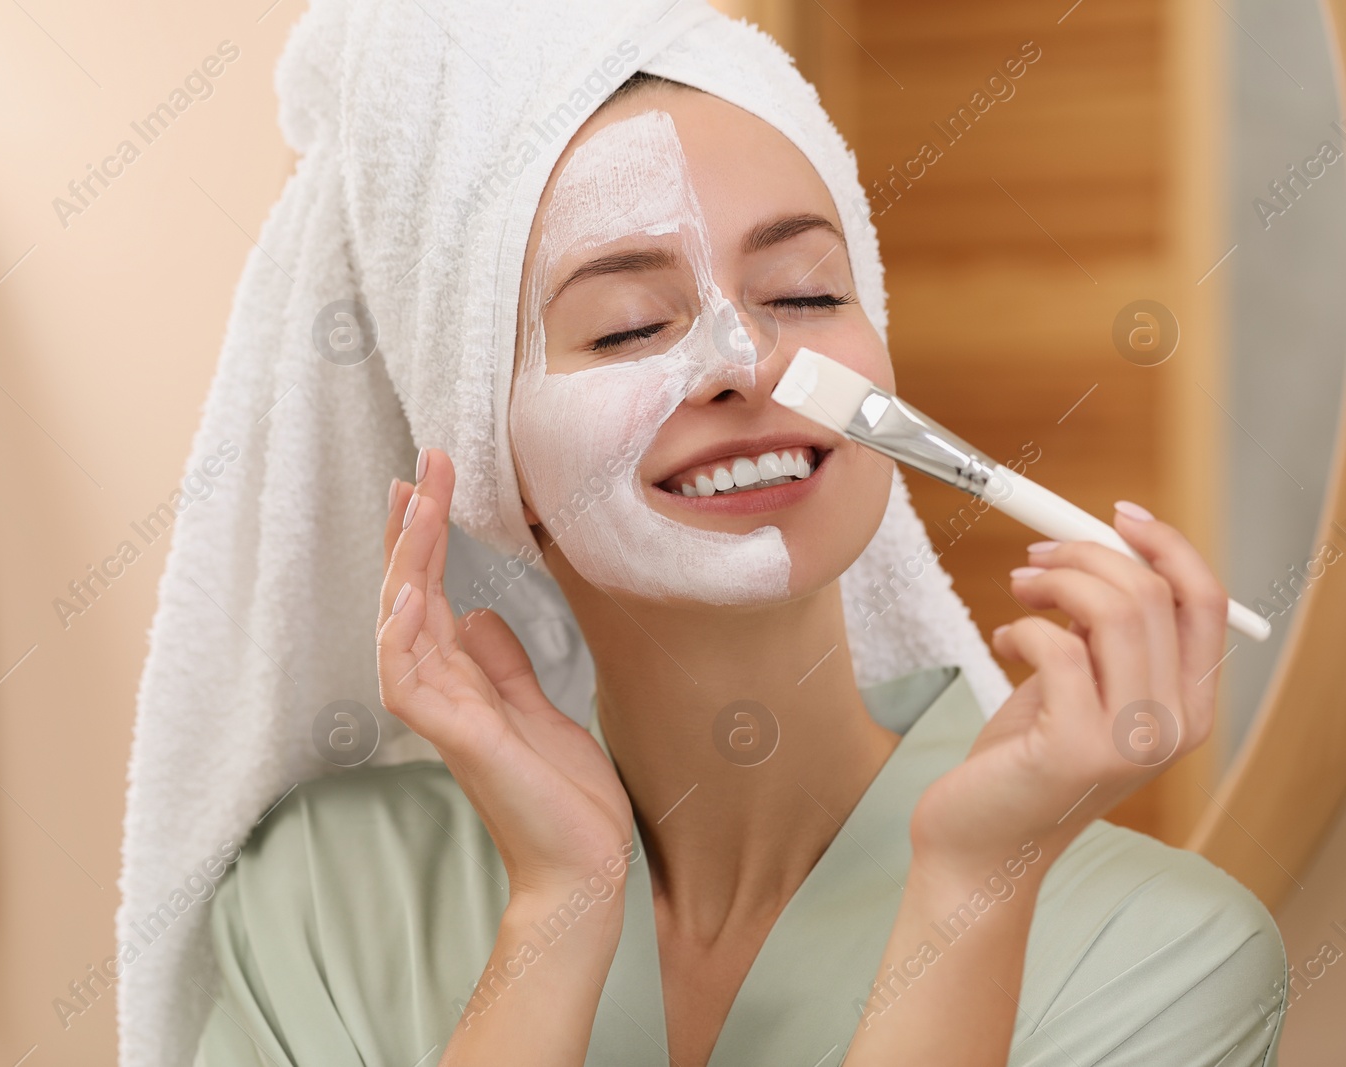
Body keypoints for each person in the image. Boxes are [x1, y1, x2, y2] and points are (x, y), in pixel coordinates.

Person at [189, 65, 1288, 1067]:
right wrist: (556, 911)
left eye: (805, 295)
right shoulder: (328, 902)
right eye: (626, 326)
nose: (744, 361)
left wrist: (970, 889)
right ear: (489, 460)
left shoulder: (1166, 951)